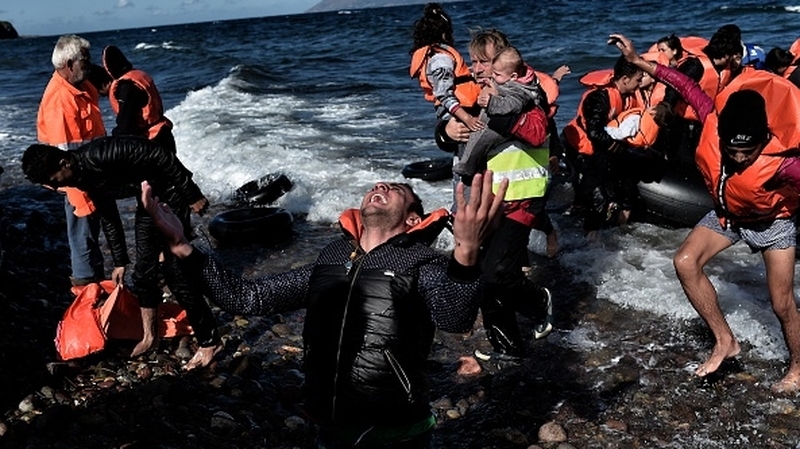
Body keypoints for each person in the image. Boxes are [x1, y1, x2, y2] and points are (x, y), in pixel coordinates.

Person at [141, 171, 508, 447]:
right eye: (376, 185)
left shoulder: (422, 262)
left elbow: (454, 317)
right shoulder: (333, 255)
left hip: (395, 432)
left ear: (413, 219)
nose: (380, 186)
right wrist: (183, 246)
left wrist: (466, 253)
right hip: (329, 427)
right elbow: (249, 297)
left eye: (396, 189)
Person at [612, 33, 800, 394]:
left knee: (781, 303)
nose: (740, 158)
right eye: (733, 151)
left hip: (772, 223)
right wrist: (638, 62)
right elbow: (683, 84)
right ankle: (725, 341)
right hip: (730, 215)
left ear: (763, 139)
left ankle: (797, 367)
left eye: (748, 152)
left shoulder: (783, 162)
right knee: (685, 261)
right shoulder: (713, 118)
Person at [21, 137, 222, 370]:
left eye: (54, 181)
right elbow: (108, 215)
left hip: (172, 191)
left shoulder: (102, 153)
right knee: (144, 274)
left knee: (175, 273)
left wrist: (192, 194)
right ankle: (150, 337)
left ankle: (210, 341)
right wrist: (120, 261)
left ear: (64, 163)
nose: (56, 188)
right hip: (149, 197)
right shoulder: (82, 178)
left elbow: (161, 155)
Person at [438, 29, 554, 357]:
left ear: (505, 65)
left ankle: (538, 302)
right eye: (472, 62)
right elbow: (449, 136)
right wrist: (446, 132)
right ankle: (506, 349)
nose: (475, 69)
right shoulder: (475, 96)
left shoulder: (523, 95)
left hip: (519, 198)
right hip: (484, 201)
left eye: (484, 62)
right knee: (485, 275)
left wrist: (497, 117)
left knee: (498, 274)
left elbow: (540, 132)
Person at [36, 35, 122, 287]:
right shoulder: (60, 102)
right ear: (69, 65)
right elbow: (64, 162)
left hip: (91, 173)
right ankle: (85, 288)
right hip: (77, 182)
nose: (89, 65)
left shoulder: (79, 84)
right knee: (83, 235)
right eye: (84, 61)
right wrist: (84, 197)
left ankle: (96, 283)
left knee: (91, 233)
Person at [562, 55, 644, 235]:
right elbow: (594, 133)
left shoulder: (628, 96)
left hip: (603, 146)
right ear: (625, 79)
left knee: (621, 179)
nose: (640, 84)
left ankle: (616, 215)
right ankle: (588, 235)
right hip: (579, 146)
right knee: (595, 194)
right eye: (638, 80)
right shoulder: (598, 98)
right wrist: (619, 149)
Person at [409, 3, 483, 132]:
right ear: (444, 34)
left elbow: (456, 80)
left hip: (457, 112)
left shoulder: (434, 57)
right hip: (458, 115)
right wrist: (467, 119)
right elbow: (443, 94)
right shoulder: (441, 59)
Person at [102, 45, 176, 153]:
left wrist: (110, 144)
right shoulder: (138, 76)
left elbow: (126, 125)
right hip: (164, 132)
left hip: (152, 140)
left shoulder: (126, 87)